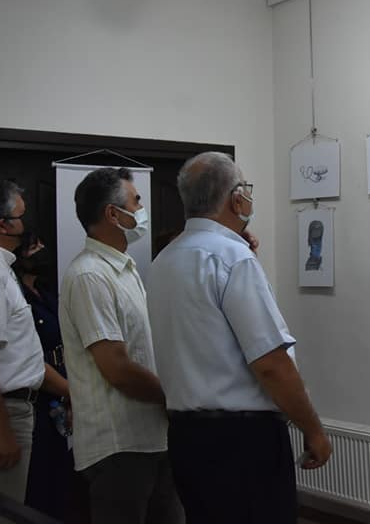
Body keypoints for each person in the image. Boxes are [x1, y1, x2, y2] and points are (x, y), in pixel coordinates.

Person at [147, 151, 331, 524]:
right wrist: (313, 429)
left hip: (186, 436)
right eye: (246, 188)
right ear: (236, 199)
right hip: (242, 441)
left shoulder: (164, 260)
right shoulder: (233, 258)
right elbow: (271, 364)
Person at [58, 167, 182, 524]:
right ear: (113, 214)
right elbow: (116, 368)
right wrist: (174, 397)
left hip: (151, 436)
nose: (142, 210)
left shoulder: (124, 269)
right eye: (136, 202)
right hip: (119, 445)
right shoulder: (90, 275)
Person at [0, 180, 69, 523]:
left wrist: (72, 392)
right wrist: (0, 430)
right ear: (3, 225)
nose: (27, 226)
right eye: (21, 216)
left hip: (11, 408)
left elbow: (19, 355)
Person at [11, 234, 76, 519]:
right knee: (38, 485)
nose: (41, 251)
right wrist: (71, 392)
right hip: (36, 395)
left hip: (58, 396)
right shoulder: (16, 296)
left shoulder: (45, 293)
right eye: (33, 247)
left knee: (60, 482)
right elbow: (30, 355)